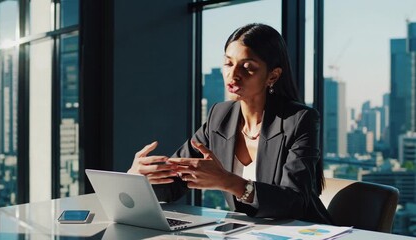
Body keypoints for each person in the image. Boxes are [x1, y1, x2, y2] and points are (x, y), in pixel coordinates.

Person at [128, 23, 332, 224]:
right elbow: (172, 185)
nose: (233, 75)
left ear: (273, 76)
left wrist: (228, 181)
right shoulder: (220, 116)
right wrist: (139, 179)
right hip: (247, 232)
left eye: (248, 67)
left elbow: (295, 203)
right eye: (228, 63)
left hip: (303, 231)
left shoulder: (300, 120)